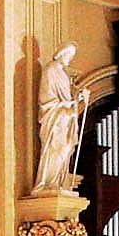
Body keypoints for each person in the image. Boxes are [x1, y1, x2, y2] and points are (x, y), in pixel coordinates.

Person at [33, 42, 88, 192]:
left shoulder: (63, 74)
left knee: (65, 149)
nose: (70, 58)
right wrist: (69, 103)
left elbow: (69, 95)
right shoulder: (50, 70)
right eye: (69, 54)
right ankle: (49, 181)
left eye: (72, 55)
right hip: (55, 118)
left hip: (65, 118)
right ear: (61, 53)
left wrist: (79, 96)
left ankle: (58, 181)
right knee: (55, 149)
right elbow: (46, 98)